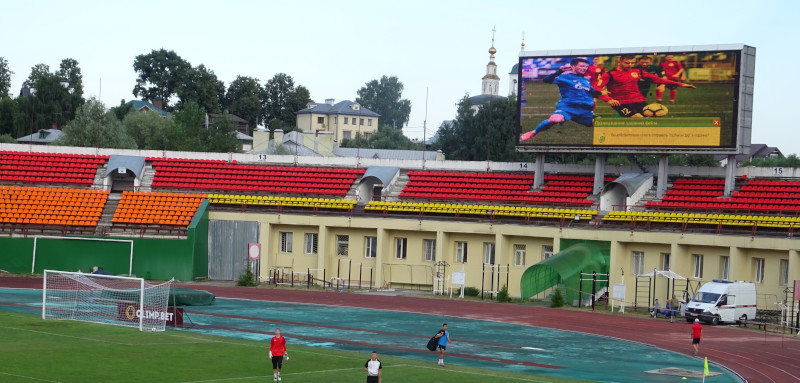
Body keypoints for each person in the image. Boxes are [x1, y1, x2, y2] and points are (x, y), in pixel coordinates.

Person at [520, 58, 603, 141]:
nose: (584, 68)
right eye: (581, 66)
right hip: (567, 107)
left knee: (604, 123)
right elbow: (546, 80)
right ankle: (532, 132)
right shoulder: (565, 77)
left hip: (584, 110)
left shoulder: (586, 80)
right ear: (573, 66)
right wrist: (559, 71)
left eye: (586, 66)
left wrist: (602, 93)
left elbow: (593, 92)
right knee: (555, 119)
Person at [596, 55, 695, 118]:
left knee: (652, 118)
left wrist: (681, 84)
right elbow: (597, 89)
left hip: (639, 101)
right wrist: (608, 99)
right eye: (627, 63)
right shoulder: (609, 74)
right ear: (619, 62)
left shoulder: (637, 72)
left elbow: (658, 79)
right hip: (621, 103)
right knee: (638, 119)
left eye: (632, 63)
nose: (630, 65)